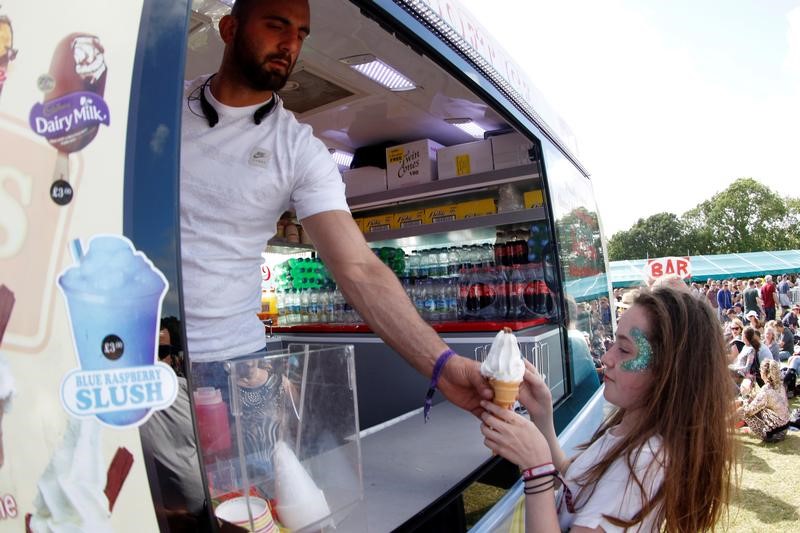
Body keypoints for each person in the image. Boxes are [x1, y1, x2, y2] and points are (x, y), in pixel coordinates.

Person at [180, 0, 490, 417]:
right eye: (276, 26)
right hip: (138, 353)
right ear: (230, 29)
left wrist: (444, 366)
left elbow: (358, 268)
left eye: (301, 34)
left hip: (236, 364)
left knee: (247, 485)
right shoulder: (162, 108)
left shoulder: (299, 149)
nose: (290, 43)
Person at [480, 286, 735, 532]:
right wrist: (543, 417)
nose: (606, 358)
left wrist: (536, 471)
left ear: (669, 373)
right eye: (614, 343)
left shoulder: (642, 463)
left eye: (624, 349)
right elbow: (579, 481)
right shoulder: (627, 429)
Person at [736, 359, 790, 442]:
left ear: (765, 374)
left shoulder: (766, 389)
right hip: (784, 429)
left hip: (774, 434)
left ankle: (724, 427)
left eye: (760, 371)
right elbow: (760, 400)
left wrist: (745, 396)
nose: (760, 372)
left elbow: (748, 411)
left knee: (742, 411)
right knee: (745, 403)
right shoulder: (780, 384)